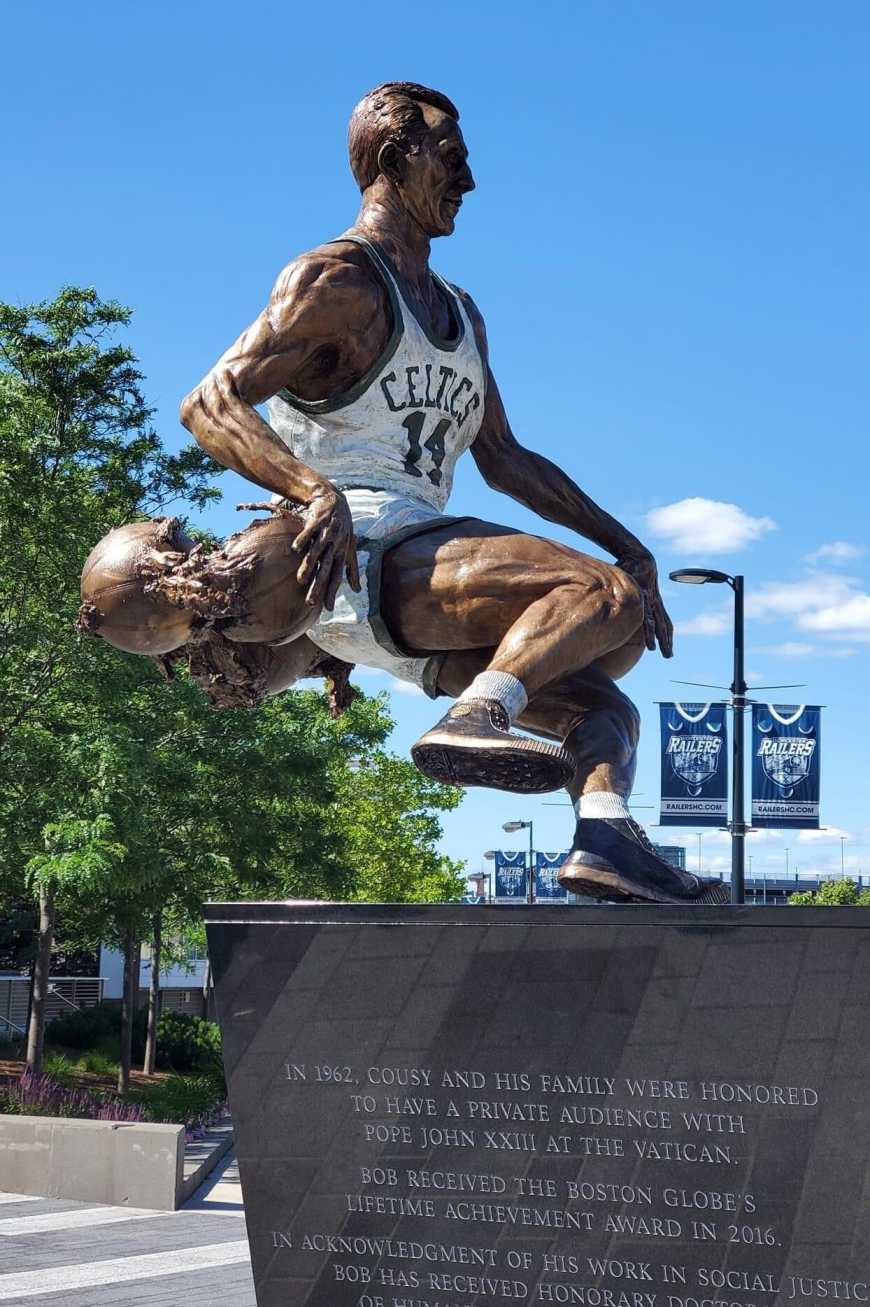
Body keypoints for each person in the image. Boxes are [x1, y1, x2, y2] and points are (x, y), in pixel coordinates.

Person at [180, 82, 725, 904]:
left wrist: (630, 544)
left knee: (608, 696)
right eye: (454, 160)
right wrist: (309, 489)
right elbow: (210, 401)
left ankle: (605, 840)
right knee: (594, 594)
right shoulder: (336, 279)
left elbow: (504, 457)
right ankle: (478, 716)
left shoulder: (461, 312)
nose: (468, 182)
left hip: (414, 582)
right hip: (354, 545)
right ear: (398, 161)